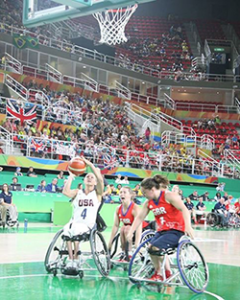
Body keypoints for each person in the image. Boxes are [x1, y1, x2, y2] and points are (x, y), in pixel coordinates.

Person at [127, 175, 194, 281]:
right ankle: (164, 272)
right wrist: (130, 232)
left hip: (176, 230)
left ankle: (159, 273)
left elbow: (184, 209)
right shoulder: (149, 203)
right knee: (150, 248)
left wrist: (188, 227)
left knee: (155, 247)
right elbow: (140, 217)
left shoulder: (169, 196)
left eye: (144, 192)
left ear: (152, 189)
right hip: (162, 231)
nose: (143, 195)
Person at [62, 156, 103, 269]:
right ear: (84, 180)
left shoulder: (97, 194)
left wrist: (89, 165)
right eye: (87, 176)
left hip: (87, 225)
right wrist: (71, 177)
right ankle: (71, 260)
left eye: (92, 177)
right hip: (74, 222)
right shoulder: (77, 192)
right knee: (67, 231)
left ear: (95, 182)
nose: (89, 178)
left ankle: (76, 258)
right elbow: (65, 192)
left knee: (76, 231)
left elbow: (100, 179)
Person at [108, 186, 142, 261]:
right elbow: (116, 225)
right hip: (126, 231)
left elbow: (139, 227)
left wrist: (137, 244)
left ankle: (129, 253)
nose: (121, 194)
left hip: (139, 230)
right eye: (120, 192)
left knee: (126, 228)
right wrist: (110, 241)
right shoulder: (118, 208)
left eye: (124, 192)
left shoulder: (135, 208)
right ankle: (124, 252)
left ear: (130, 195)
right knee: (123, 228)